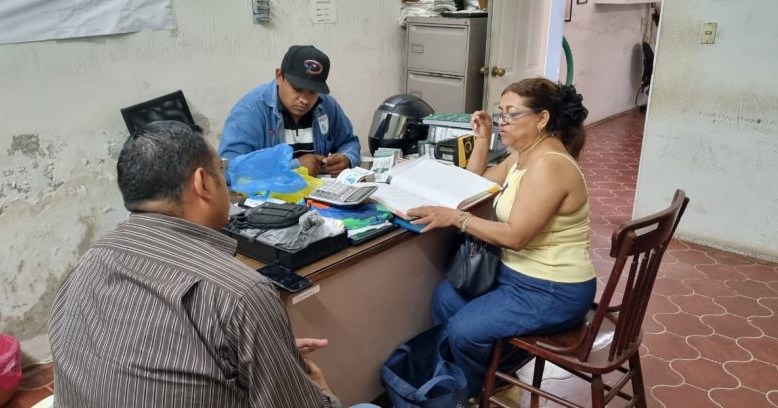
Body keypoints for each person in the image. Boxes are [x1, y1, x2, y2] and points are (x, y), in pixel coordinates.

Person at [49, 121, 344, 407]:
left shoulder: (88, 261)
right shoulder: (241, 293)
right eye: (221, 170)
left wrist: (263, 349)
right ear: (202, 183)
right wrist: (324, 392)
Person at [407, 78, 597, 397]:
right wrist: (481, 141)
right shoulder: (523, 155)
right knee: (445, 298)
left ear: (542, 119)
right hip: (518, 276)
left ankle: (483, 388)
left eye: (511, 114)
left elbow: (516, 236)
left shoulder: (549, 164)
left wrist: (457, 218)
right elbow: (473, 184)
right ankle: (491, 379)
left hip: (552, 288)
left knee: (463, 330)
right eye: (500, 114)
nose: (502, 122)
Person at [218, 45, 361, 177]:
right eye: (297, 89)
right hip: (268, 200)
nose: (304, 100)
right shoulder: (251, 110)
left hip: (319, 196)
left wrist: (347, 158)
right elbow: (228, 167)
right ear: (279, 77)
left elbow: (349, 142)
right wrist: (294, 166)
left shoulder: (327, 105)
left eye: (312, 92)